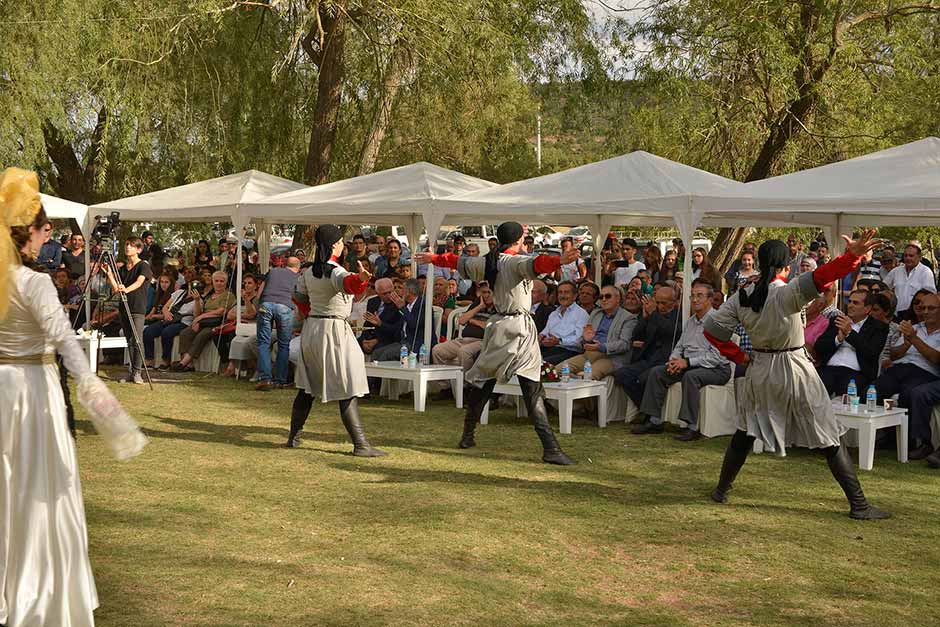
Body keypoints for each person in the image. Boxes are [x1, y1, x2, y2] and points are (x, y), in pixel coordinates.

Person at [0, 167, 147, 626]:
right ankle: (35, 588)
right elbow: (68, 346)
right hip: (31, 394)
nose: (49, 240)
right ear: (29, 233)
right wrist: (109, 412)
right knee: (38, 490)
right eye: (45, 230)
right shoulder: (34, 282)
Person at [703, 231, 890, 520]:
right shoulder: (788, 292)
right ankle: (859, 504)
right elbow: (824, 275)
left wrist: (740, 356)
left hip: (760, 368)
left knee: (746, 430)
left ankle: (721, 490)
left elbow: (712, 330)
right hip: (793, 365)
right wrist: (852, 256)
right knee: (826, 433)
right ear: (785, 266)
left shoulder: (741, 295)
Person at [415, 222, 578, 465]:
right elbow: (536, 264)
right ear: (518, 239)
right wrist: (560, 261)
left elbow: (458, 261)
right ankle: (551, 448)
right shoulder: (513, 261)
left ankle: (468, 435)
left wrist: (434, 257)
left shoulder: (487, 261)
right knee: (530, 388)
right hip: (518, 329)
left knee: (485, 382)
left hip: (500, 326)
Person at [288, 225, 386, 456]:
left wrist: (312, 311)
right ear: (334, 244)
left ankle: (293, 437)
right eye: (342, 241)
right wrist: (362, 279)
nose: (344, 245)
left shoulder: (308, 272)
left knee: (307, 387)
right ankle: (361, 445)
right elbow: (349, 283)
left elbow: (298, 297)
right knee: (347, 384)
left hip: (313, 329)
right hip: (333, 330)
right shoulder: (335, 271)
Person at [632, 280, 732, 440]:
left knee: (691, 377)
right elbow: (679, 346)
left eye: (700, 296)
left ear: (710, 300)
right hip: (691, 364)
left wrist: (687, 362)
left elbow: (717, 357)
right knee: (657, 372)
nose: (695, 300)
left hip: (717, 369)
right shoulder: (691, 322)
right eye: (692, 296)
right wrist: (674, 360)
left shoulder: (718, 322)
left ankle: (691, 427)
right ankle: (654, 421)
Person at [873, 292, 940, 459]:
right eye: (923, 307)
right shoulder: (915, 327)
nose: (925, 311)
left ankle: (912, 442)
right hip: (900, 368)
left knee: (909, 393)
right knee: (875, 388)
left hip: (925, 372)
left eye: (931, 308)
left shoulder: (915, 332)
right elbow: (894, 354)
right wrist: (906, 343)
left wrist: (914, 340)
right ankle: (882, 435)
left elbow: (936, 359)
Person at [612, 285, 680, 409]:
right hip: (648, 358)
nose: (660, 306)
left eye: (664, 303)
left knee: (644, 378)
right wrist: (644, 318)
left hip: (666, 360)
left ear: (674, 302)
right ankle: (644, 408)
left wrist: (653, 313)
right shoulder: (653, 313)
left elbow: (670, 330)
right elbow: (637, 335)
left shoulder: (680, 315)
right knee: (622, 374)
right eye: (658, 302)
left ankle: (650, 414)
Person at [814, 290, 888, 397]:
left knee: (846, 391)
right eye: (850, 302)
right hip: (829, 369)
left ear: (867, 309)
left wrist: (849, 333)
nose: (850, 306)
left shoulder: (878, 327)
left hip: (856, 373)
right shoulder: (837, 320)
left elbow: (872, 352)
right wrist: (838, 339)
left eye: (855, 303)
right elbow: (819, 347)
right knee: (814, 388)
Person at [558, 285, 637, 381]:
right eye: (601, 297)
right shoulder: (595, 313)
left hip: (611, 357)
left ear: (617, 299)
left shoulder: (628, 318)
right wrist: (586, 340)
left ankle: (581, 388)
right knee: (557, 371)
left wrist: (601, 347)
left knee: (587, 376)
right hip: (589, 354)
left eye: (608, 296)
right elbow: (583, 341)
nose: (603, 299)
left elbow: (624, 344)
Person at [103, 236, 153, 384]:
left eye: (131, 245)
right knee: (129, 339)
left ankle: (138, 372)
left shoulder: (143, 266)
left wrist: (126, 289)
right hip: (124, 307)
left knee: (137, 339)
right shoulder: (123, 268)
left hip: (137, 306)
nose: (128, 248)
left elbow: (139, 283)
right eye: (126, 245)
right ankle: (132, 371)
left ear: (138, 249)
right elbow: (116, 288)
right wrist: (110, 274)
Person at [172, 270, 235, 372]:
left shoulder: (228, 296)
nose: (219, 283)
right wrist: (197, 300)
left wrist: (200, 318)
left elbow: (221, 311)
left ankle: (183, 363)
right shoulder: (209, 297)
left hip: (216, 323)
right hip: (203, 322)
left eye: (222, 281)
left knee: (202, 335)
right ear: (213, 282)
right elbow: (197, 314)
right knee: (185, 333)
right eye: (216, 281)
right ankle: (189, 364)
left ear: (226, 282)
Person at [255, 256, 301, 389]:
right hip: (285, 307)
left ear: (284, 264)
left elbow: (260, 292)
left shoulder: (273, 271)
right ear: (297, 267)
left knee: (263, 342)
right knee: (284, 344)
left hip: (266, 304)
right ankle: (280, 380)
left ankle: (265, 379)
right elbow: (298, 297)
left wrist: (259, 305)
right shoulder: (298, 277)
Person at [539, 280, 589, 365]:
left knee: (542, 363)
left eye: (566, 292)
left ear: (575, 296)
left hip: (570, 352)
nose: (562, 296)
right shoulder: (554, 313)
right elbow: (546, 331)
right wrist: (541, 337)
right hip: (550, 348)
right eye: (560, 292)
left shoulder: (581, 314)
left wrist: (559, 341)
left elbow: (579, 340)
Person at [885, 244, 936, 320]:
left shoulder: (925, 272)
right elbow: (884, 287)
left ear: (919, 257)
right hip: (897, 316)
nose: (908, 258)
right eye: (905, 255)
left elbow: (930, 295)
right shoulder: (896, 271)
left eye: (911, 256)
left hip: (916, 317)